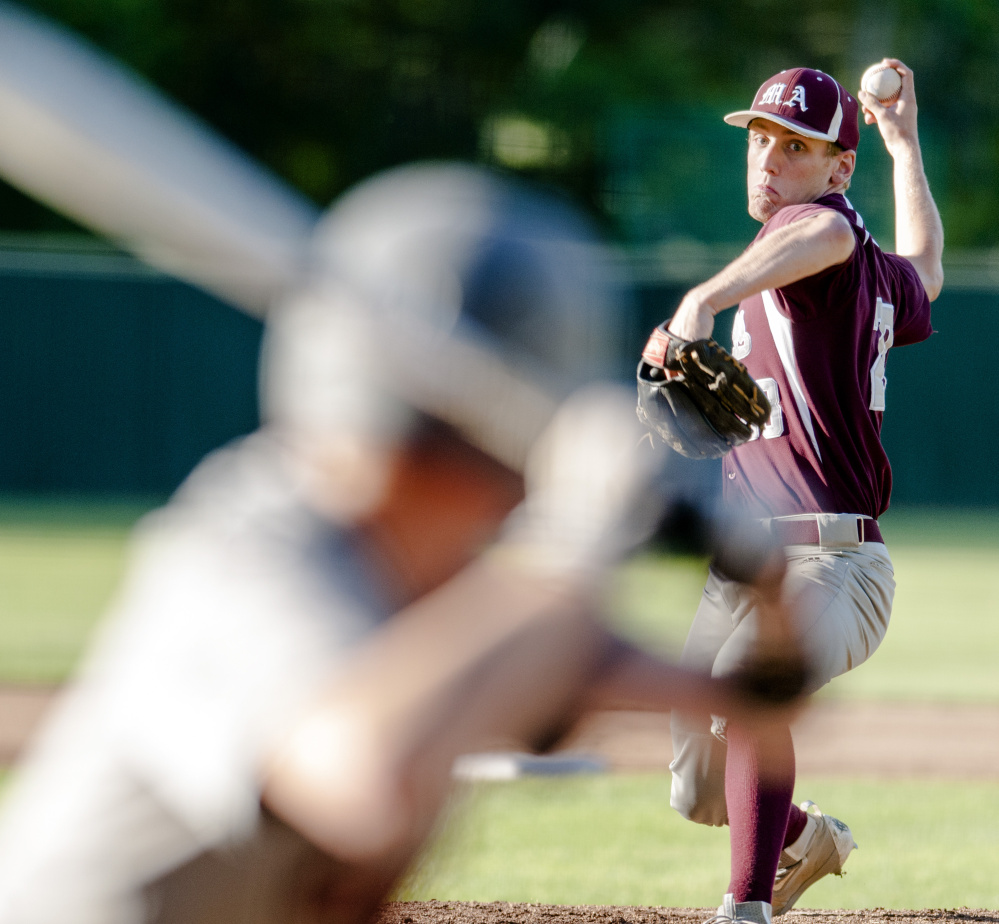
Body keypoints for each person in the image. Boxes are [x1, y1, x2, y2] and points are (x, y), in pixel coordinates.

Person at [0, 162, 805, 924]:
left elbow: (764, 697)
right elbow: (366, 781)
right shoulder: (245, 544)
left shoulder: (454, 588)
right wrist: (573, 542)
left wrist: (755, 568)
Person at [658, 60, 943, 924]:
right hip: (742, 568)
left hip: (835, 564)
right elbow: (925, 269)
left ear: (834, 171)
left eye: (794, 144)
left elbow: (826, 238)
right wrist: (903, 143)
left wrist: (700, 299)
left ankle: (743, 911)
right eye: (759, 139)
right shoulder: (830, 264)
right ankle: (798, 840)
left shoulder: (825, 240)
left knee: (748, 691)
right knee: (696, 795)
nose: (767, 158)